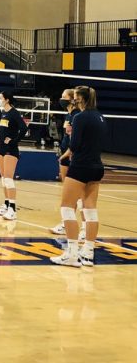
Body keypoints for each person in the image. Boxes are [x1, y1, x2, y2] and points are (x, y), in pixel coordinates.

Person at [52, 86, 106, 268]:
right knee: (90, 210)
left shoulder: (79, 117)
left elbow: (74, 144)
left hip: (80, 166)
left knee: (66, 207)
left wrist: (67, 151)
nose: (73, 101)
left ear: (81, 99)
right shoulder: (100, 117)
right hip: (97, 167)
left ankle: (72, 253)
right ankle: (88, 252)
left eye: (75, 97)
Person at [50, 89, 85, 238]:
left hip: (71, 155)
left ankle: (83, 226)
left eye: (64, 97)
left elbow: (76, 139)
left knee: (77, 193)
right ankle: (66, 223)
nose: (61, 99)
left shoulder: (77, 114)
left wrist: (68, 154)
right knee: (66, 191)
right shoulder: (68, 114)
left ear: (72, 99)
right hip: (64, 154)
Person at [0, 91, 27, 221]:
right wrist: (0, 137)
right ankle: (6, 205)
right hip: (0, 148)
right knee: (3, 178)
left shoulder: (14, 113)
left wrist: (14, 140)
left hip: (10, 150)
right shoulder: (3, 113)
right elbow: (4, 129)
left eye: (0, 98)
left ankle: (13, 209)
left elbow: (24, 128)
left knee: (8, 178)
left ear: (7, 100)